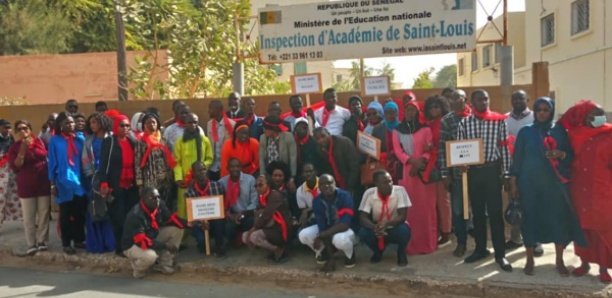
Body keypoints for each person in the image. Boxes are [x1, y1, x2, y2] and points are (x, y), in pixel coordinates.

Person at [510, 97, 585, 276]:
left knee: (557, 221)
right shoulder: (525, 132)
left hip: (554, 185)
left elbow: (571, 156)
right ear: (535, 111)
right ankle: (529, 260)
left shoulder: (560, 131)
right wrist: (513, 182)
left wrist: (561, 154)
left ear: (551, 111)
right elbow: (517, 160)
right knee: (529, 221)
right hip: (529, 185)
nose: (542, 113)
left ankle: (559, 261)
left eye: (546, 110)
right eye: (539, 110)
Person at [457, 89, 512, 272]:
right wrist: (462, 164)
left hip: (492, 171)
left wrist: (506, 173)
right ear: (472, 103)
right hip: (473, 173)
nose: (484, 102)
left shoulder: (499, 121)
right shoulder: (464, 123)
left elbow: (504, 148)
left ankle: (500, 254)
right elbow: (460, 149)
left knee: (496, 214)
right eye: (480, 99)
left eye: (486, 99)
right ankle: (481, 249)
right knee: (478, 214)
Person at [558, 100, 612, 283]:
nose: (595, 118)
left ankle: (604, 268)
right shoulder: (575, 135)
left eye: (599, 114)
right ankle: (584, 263)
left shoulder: (609, 135)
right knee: (582, 228)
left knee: (602, 229)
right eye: (591, 115)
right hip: (580, 189)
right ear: (584, 118)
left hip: (602, 190)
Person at [392, 100, 437, 255]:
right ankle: (411, 245)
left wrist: (420, 162)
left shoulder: (426, 129)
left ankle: (428, 244)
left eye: (413, 110)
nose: (410, 113)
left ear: (418, 112)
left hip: (424, 172)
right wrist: (411, 162)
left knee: (426, 209)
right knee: (410, 209)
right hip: (407, 174)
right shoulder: (397, 131)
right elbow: (398, 151)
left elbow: (429, 148)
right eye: (408, 110)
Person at [122, 186, 186, 279]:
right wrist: (164, 245)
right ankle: (138, 269)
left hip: (151, 236)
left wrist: (190, 223)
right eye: (152, 198)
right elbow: (142, 241)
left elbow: (170, 218)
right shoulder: (135, 215)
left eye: (158, 197)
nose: (156, 200)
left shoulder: (159, 205)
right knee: (150, 256)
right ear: (143, 199)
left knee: (177, 230)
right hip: (133, 245)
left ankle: (163, 264)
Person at [99, 113, 139, 256]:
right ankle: (120, 247)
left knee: (132, 216)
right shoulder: (109, 142)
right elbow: (103, 164)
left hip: (131, 186)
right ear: (116, 126)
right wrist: (104, 183)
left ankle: (131, 244)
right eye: (122, 125)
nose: (125, 128)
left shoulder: (132, 141)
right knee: (118, 217)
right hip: (115, 185)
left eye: (127, 125)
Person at [298, 174, 357, 272]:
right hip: (329, 229)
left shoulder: (345, 196)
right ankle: (325, 253)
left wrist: (321, 235)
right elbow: (322, 227)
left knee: (340, 240)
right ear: (319, 187)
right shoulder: (317, 201)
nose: (326, 186)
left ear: (335, 183)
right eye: (322, 184)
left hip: (346, 230)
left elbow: (344, 225)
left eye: (329, 183)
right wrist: (331, 259)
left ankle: (350, 254)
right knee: (303, 235)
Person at [438, 89, 472, 257]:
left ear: (465, 99)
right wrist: (445, 174)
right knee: (458, 210)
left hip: (478, 174)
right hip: (458, 175)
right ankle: (461, 243)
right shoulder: (447, 121)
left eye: (458, 97)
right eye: (451, 98)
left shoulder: (476, 117)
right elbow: (443, 149)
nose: (454, 100)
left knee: (479, 210)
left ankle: (480, 244)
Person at [47, 112, 87, 255]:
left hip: (79, 181)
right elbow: (52, 162)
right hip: (63, 181)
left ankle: (78, 239)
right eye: (67, 123)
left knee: (80, 212)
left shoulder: (80, 139)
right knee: (65, 214)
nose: (70, 125)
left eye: (72, 122)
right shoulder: (55, 141)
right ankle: (66, 243)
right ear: (60, 125)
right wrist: (52, 184)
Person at [8, 120, 49, 255]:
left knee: (43, 214)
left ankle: (42, 241)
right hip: (26, 185)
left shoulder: (40, 142)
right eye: (19, 129)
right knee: (29, 217)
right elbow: (16, 166)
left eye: (25, 128)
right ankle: (31, 244)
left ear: (30, 129)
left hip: (43, 183)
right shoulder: (14, 147)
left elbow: (46, 157)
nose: (22, 131)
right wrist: (22, 151)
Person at [504, 90, 537, 253]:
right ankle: (515, 238)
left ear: (527, 99)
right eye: (514, 98)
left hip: (532, 168)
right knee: (514, 203)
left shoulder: (535, 118)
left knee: (533, 205)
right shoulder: (505, 118)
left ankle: (535, 241)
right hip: (512, 168)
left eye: (521, 98)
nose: (517, 101)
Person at [359, 170, 411, 266]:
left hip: (394, 226)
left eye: (390, 181)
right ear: (376, 184)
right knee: (363, 233)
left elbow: (402, 216)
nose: (389, 184)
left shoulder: (400, 190)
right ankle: (378, 252)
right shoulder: (369, 193)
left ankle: (401, 253)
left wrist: (386, 224)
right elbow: (362, 217)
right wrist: (374, 227)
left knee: (405, 230)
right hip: (377, 227)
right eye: (384, 182)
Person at [81, 112, 116, 253]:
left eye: (95, 122)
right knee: (96, 209)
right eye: (91, 123)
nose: (92, 125)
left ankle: (111, 242)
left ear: (102, 122)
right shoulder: (88, 140)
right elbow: (85, 160)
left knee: (110, 210)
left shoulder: (112, 138)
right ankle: (97, 244)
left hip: (110, 178)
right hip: (95, 179)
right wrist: (92, 176)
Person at [173, 113, 213, 222]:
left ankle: (201, 228)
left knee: (200, 205)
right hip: (185, 180)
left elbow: (209, 158)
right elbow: (176, 161)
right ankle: (185, 229)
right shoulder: (179, 141)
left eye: (195, 122)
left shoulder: (205, 140)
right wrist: (179, 178)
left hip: (201, 179)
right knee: (184, 205)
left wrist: (200, 171)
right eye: (190, 122)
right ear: (185, 124)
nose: (193, 125)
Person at [243, 174, 292, 263]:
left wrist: (252, 230)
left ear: (268, 184)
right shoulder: (262, 197)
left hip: (280, 229)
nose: (258, 187)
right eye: (256, 186)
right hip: (270, 227)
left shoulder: (275, 195)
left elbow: (266, 216)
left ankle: (278, 250)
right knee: (244, 236)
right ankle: (273, 250)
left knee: (253, 236)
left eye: (260, 185)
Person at [424, 96, 452, 245]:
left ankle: (447, 233)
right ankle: (438, 231)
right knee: (433, 202)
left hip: (444, 165)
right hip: (431, 166)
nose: (434, 110)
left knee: (444, 201)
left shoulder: (446, 123)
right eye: (431, 107)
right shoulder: (429, 124)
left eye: (437, 107)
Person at [184, 161, 226, 255]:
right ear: (193, 173)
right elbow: (191, 216)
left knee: (220, 222)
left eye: (204, 169)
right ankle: (202, 245)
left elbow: (221, 208)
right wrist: (201, 224)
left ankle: (219, 246)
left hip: (215, 220)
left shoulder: (217, 186)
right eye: (199, 170)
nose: (202, 172)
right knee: (201, 241)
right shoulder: (189, 192)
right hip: (199, 223)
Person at [135, 112, 176, 209]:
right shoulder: (141, 141)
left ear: (157, 124)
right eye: (148, 123)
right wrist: (140, 184)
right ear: (144, 125)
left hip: (165, 179)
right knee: (152, 204)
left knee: (166, 202)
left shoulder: (163, 139)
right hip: (150, 179)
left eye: (154, 122)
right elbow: (137, 163)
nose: (152, 124)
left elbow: (168, 158)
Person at [219, 158, 258, 247]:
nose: (235, 169)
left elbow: (254, 202)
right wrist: (230, 215)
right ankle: (236, 240)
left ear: (241, 168)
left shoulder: (250, 180)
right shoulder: (222, 182)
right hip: (231, 215)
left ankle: (243, 238)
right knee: (227, 227)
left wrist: (242, 214)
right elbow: (220, 203)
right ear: (227, 168)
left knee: (252, 221)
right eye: (232, 167)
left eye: (237, 166)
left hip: (246, 214)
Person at [312, 127, 360, 199]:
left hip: (352, 181)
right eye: (318, 139)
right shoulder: (319, 149)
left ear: (329, 134)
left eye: (323, 136)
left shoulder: (344, 143)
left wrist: (350, 186)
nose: (321, 140)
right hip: (336, 185)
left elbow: (354, 166)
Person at [259, 115, 297, 183]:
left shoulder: (288, 137)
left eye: (266, 128)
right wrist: (262, 175)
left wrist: (292, 177)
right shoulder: (263, 138)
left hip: (284, 173)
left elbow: (293, 158)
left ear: (273, 129)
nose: (263, 130)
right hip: (269, 174)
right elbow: (261, 159)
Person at [206, 100, 235, 181]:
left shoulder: (231, 125)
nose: (208, 111)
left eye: (210, 108)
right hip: (212, 166)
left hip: (226, 166)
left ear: (219, 109)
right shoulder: (209, 124)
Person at [296, 163, 318, 230]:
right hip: (313, 217)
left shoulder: (324, 183)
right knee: (300, 232)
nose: (308, 174)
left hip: (327, 213)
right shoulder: (300, 190)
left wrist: (308, 210)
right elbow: (304, 211)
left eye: (311, 171)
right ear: (302, 174)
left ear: (315, 172)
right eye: (306, 172)